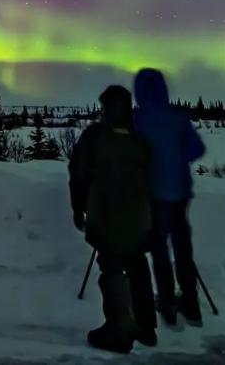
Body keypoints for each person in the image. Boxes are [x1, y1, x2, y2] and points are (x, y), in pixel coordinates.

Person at [68, 85, 157, 353]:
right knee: (137, 263)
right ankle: (145, 327)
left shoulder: (95, 136)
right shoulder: (142, 140)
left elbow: (78, 173)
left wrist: (78, 208)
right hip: (140, 218)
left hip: (105, 215)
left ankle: (119, 330)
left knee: (112, 267)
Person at [133, 67, 207, 327]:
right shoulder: (178, 117)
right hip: (180, 194)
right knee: (182, 249)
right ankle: (191, 304)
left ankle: (166, 303)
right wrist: (177, 158)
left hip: (154, 195)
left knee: (160, 250)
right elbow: (197, 149)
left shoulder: (138, 120)